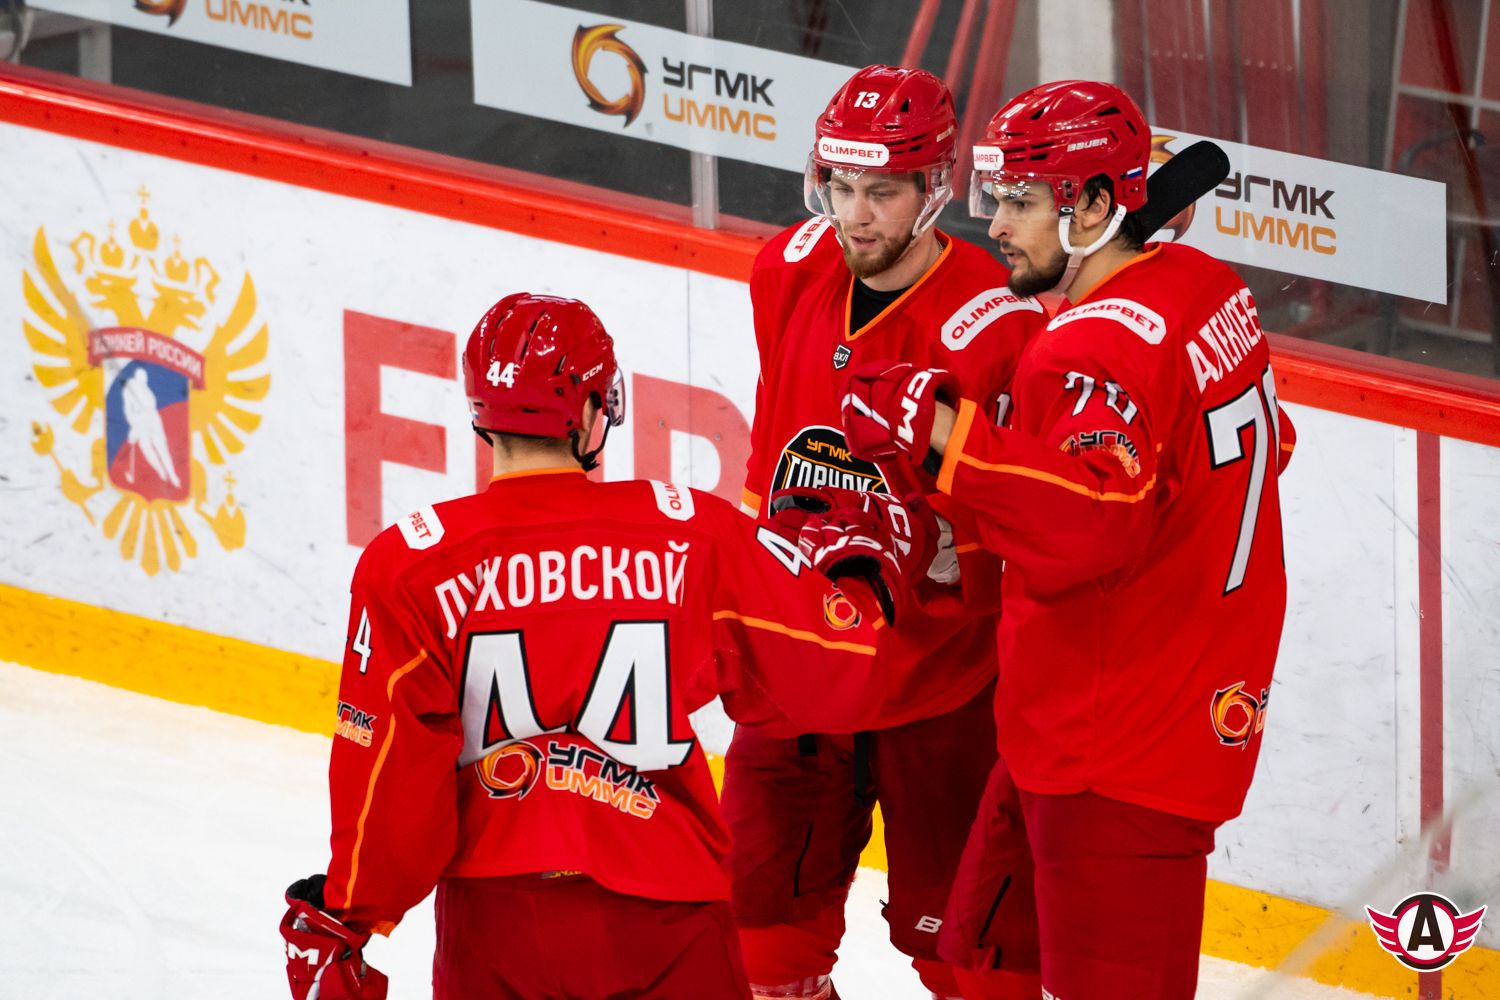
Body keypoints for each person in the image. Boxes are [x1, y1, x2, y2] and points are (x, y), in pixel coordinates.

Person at [277, 293, 938, 1000]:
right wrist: (860, 575)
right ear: (594, 410)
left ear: (479, 411)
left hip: (496, 928)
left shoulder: (409, 565)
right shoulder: (690, 533)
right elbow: (834, 669)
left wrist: (351, 911)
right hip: (664, 916)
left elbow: (389, 775)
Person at [839, 80, 1298, 999]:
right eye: (996, 197)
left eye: (1021, 202)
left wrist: (940, 436)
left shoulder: (1084, 349)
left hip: (1116, 751)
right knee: (982, 958)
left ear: (1092, 207)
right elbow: (1271, 444)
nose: (997, 225)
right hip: (1127, 711)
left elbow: (1092, 525)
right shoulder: (1207, 290)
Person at [725, 64, 1045, 1000]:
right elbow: (771, 455)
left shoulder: (1000, 326)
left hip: (939, 682)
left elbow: (1021, 519)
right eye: (840, 186)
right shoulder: (785, 271)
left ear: (935, 188)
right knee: (759, 950)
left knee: (971, 965)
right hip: (799, 672)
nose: (854, 216)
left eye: (883, 192)